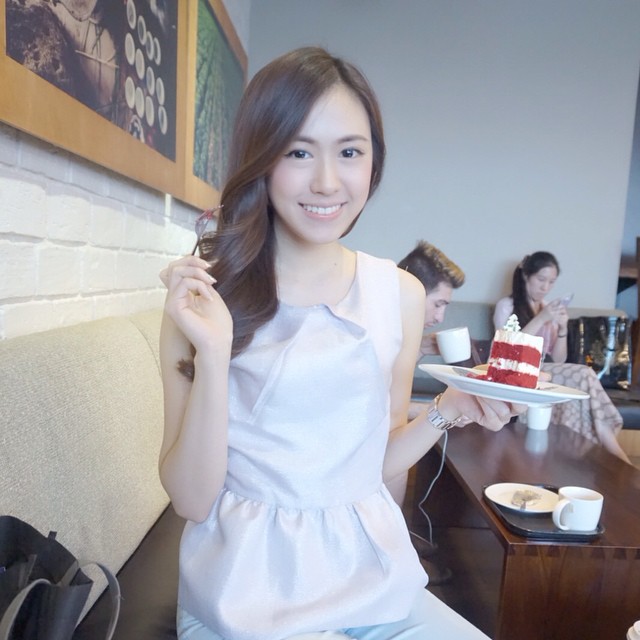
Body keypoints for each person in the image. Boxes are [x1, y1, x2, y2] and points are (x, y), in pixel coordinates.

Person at [159, 47, 522, 640]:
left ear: (373, 162)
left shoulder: (399, 293)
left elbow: (368, 467)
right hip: (244, 591)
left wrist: (447, 409)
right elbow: (191, 501)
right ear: (261, 159)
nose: (327, 182)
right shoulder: (202, 299)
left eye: (349, 152)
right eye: (298, 152)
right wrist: (216, 355)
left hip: (364, 580)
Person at [493, 251, 630, 463]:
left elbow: (558, 360)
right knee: (583, 374)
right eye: (541, 279)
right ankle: (609, 446)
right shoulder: (506, 306)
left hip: (547, 370)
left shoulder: (548, 308)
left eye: (551, 282)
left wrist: (563, 327)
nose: (545, 287)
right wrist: (541, 318)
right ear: (526, 276)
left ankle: (602, 442)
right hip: (518, 371)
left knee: (580, 378)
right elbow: (508, 349)